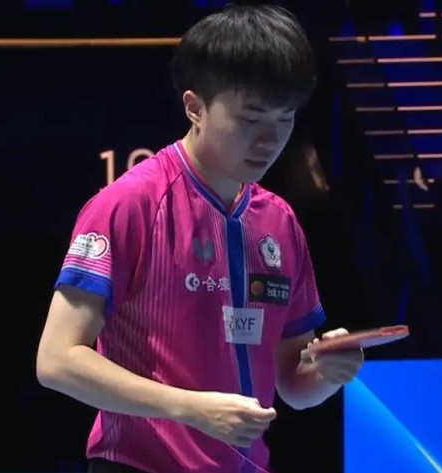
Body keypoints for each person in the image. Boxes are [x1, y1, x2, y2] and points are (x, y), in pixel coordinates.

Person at [36, 5, 364, 473]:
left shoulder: (280, 222)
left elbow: (294, 386)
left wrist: (328, 372)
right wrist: (189, 408)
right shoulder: (130, 204)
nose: (270, 140)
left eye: (285, 119)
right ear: (194, 107)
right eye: (251, 118)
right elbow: (57, 360)